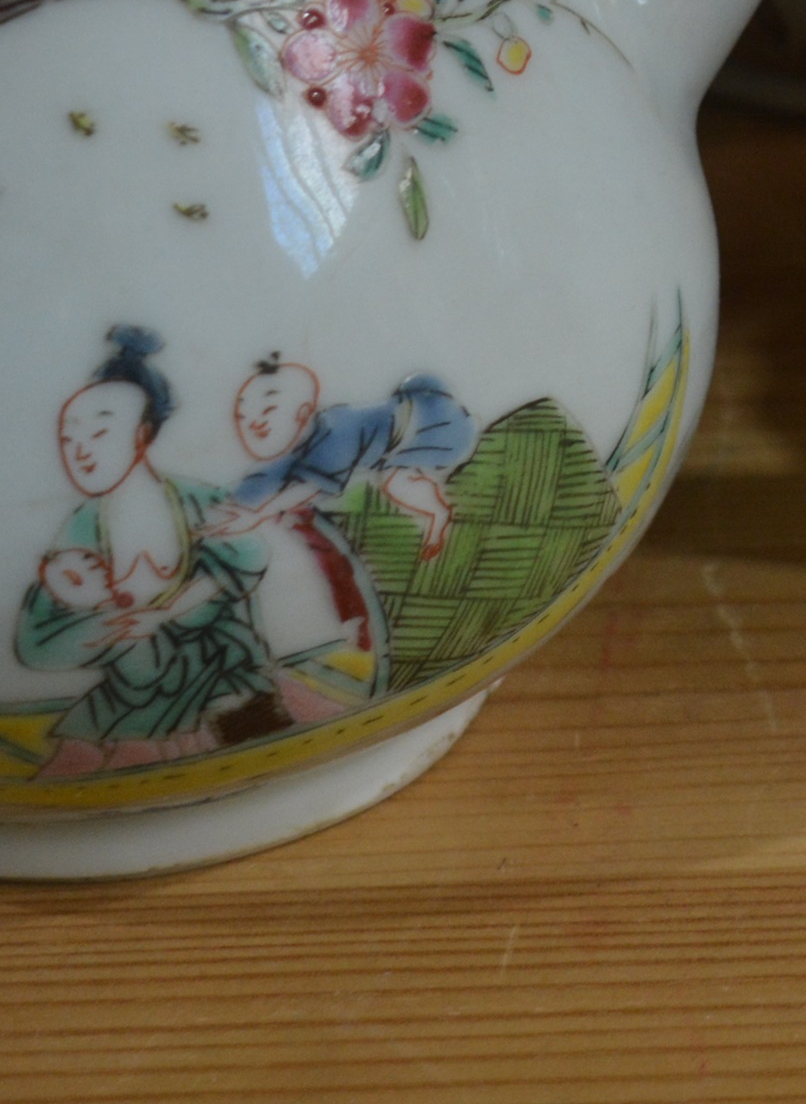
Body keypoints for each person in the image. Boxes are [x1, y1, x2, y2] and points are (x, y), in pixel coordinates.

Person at [12, 330, 311, 778]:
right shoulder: (79, 528)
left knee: (250, 740)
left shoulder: (198, 500)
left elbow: (247, 559)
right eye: (69, 439)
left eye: (99, 432)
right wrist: (114, 628)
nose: (82, 453)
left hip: (219, 666)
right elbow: (37, 640)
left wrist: (167, 612)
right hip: (137, 683)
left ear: (142, 433)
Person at [201, 356, 475, 682]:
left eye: (268, 412)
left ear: (304, 413)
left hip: (432, 425)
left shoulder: (334, 433)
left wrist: (257, 515)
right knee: (389, 480)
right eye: (242, 415)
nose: (254, 424)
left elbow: (308, 487)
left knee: (396, 482)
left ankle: (439, 516)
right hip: (400, 427)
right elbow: (262, 484)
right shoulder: (296, 447)